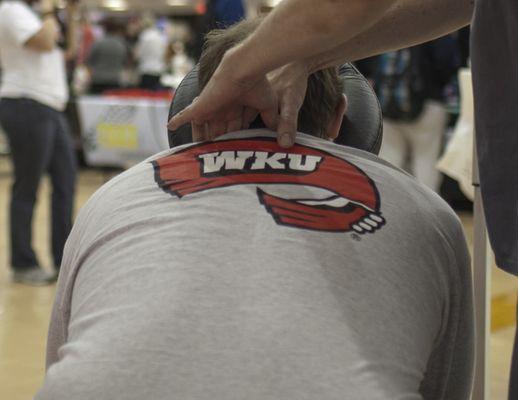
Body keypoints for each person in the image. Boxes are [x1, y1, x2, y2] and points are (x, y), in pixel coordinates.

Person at [36, 19, 474, 399]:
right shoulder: (429, 213)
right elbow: (444, 387)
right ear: (342, 115)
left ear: (197, 105)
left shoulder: (112, 196)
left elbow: (61, 356)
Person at [167, 2, 518, 397]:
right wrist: (297, 54)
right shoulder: (434, 220)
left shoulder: (110, 200)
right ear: (340, 117)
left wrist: (255, 60)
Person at [0, 0, 77, 285]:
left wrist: (71, 13)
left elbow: (67, 50)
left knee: (66, 183)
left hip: (49, 106)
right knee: (28, 186)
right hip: (25, 102)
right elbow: (44, 43)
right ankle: (22, 263)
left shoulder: (39, 16)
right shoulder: (12, 10)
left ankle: (64, 260)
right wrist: (49, 10)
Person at [373, 36, 460, 192]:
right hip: (429, 104)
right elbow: (448, 62)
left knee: (389, 164)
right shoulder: (435, 26)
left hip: (386, 104)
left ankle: (388, 210)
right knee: (426, 163)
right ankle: (427, 213)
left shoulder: (388, 24)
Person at [86, 17, 127, 94]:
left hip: (98, 79)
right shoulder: (121, 44)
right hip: (114, 79)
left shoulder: (98, 43)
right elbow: (124, 62)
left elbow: (90, 60)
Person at [134, 14, 167, 91]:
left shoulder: (144, 36)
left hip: (146, 70)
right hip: (158, 70)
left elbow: (138, 55)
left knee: (145, 96)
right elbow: (164, 53)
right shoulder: (160, 36)